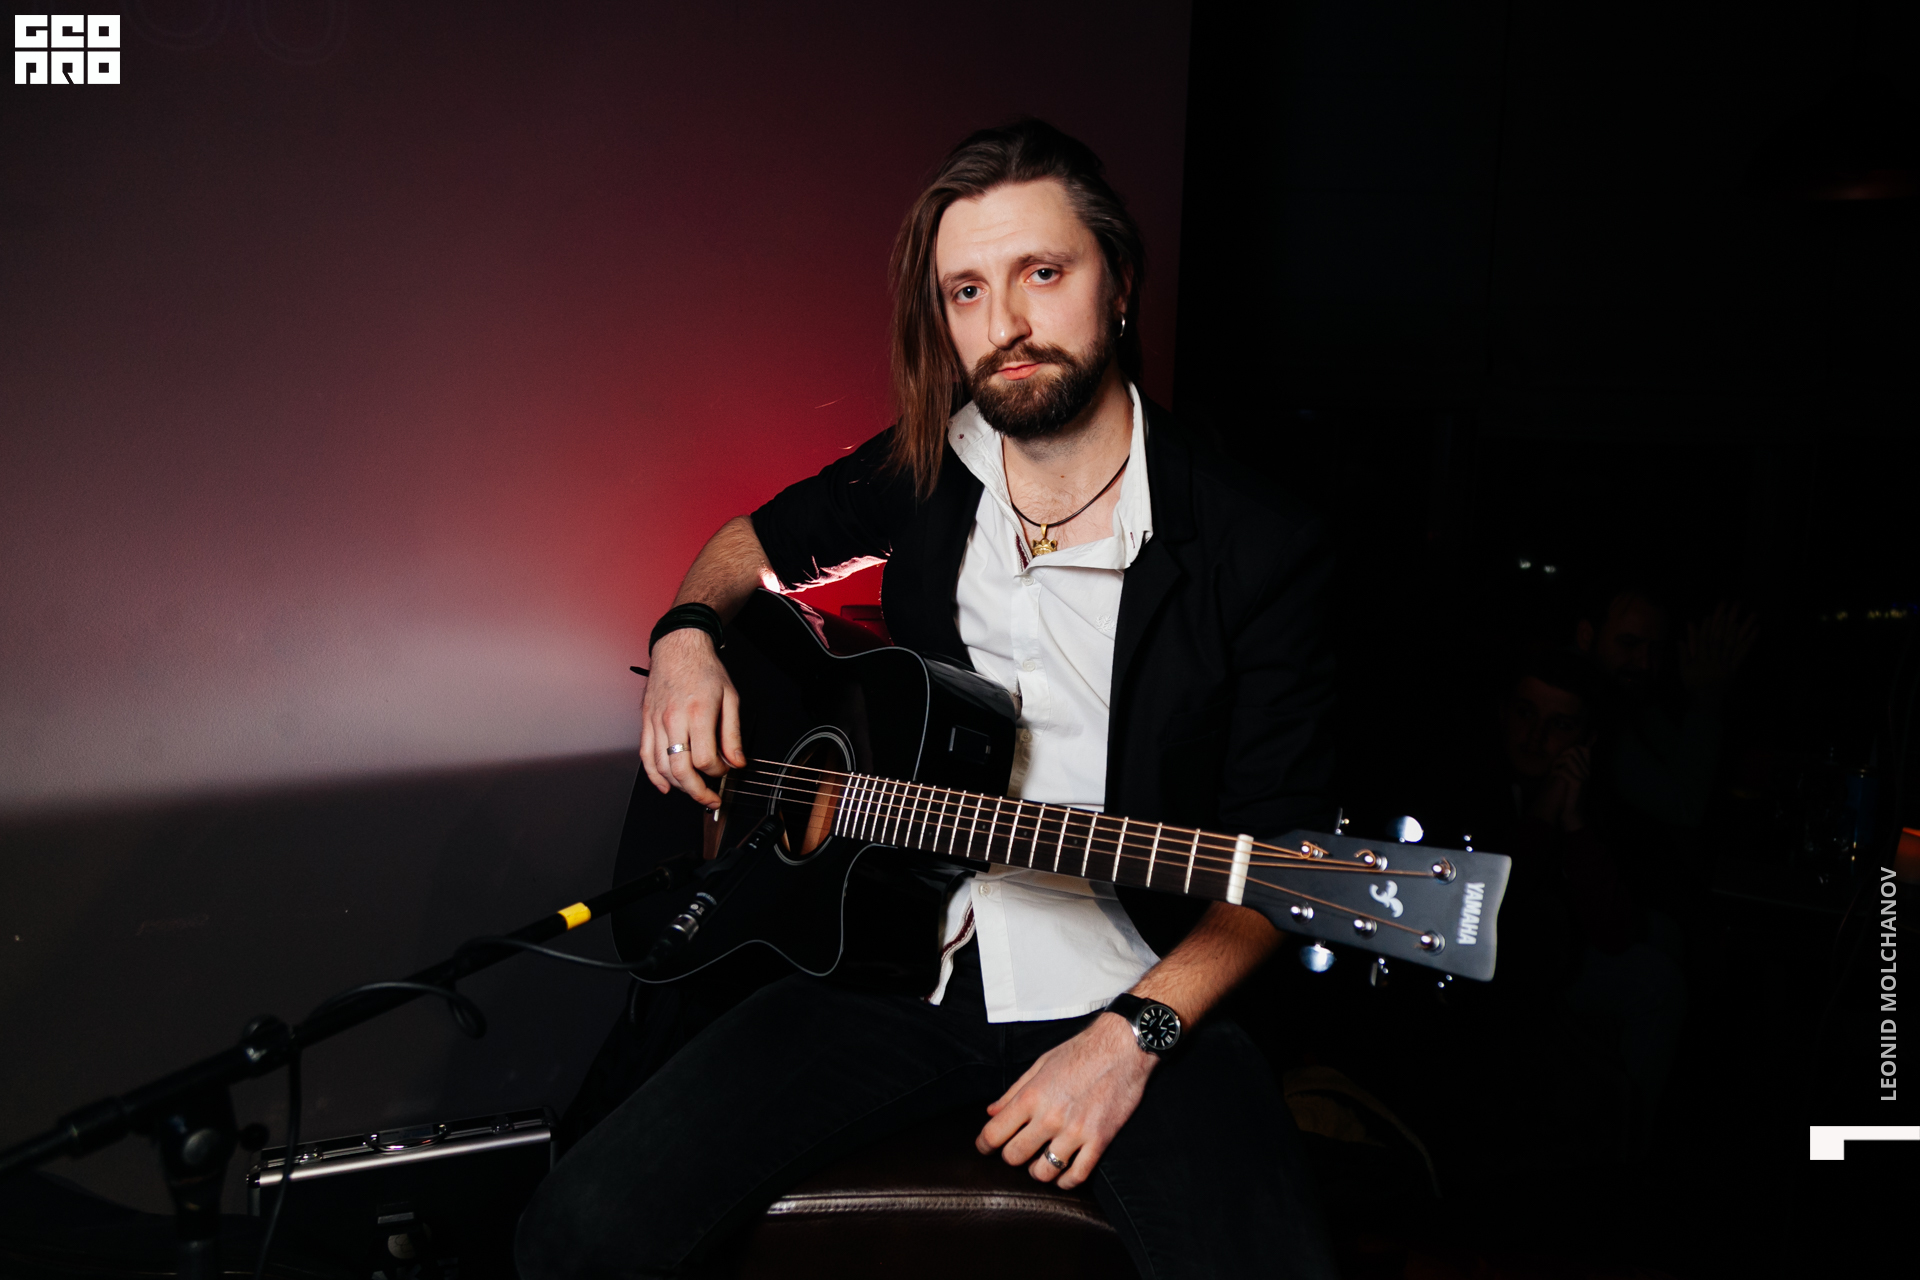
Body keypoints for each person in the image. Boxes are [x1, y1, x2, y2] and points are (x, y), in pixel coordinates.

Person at [514, 120, 1340, 1279]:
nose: (1005, 324)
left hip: (1138, 974)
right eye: (967, 291)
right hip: (901, 959)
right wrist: (688, 635)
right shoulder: (927, 465)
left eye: (1042, 273)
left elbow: (1290, 855)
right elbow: (748, 544)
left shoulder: (1259, 545)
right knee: (577, 1228)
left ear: (1119, 283)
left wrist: (1135, 1036)